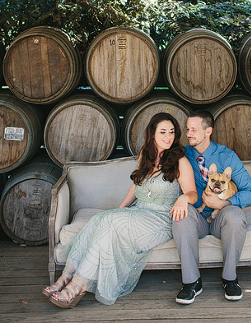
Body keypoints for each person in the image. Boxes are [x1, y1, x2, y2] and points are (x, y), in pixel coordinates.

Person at [44, 113, 198, 308]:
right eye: (163, 132)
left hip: (161, 219)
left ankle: (77, 286)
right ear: (152, 134)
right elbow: (136, 186)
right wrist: (119, 210)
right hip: (140, 211)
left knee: (111, 222)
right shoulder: (146, 155)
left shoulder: (179, 161)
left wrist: (184, 197)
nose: (168, 136)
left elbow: (193, 193)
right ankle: (65, 277)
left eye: (172, 132)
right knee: (102, 219)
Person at [174, 110, 251, 304]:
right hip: (197, 217)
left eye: (194, 129)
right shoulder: (182, 155)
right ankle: (192, 282)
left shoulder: (227, 156)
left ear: (208, 131)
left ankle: (230, 279)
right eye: (187, 129)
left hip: (221, 218)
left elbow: (250, 192)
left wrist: (224, 203)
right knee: (181, 215)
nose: (188, 134)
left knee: (235, 216)